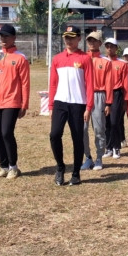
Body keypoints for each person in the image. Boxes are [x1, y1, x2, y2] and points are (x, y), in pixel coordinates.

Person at [49, 25, 94, 186]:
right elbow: (53, 83)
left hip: (78, 103)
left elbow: (90, 84)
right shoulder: (57, 59)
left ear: (79, 39)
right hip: (60, 102)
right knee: (54, 135)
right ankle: (60, 167)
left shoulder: (85, 58)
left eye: (72, 37)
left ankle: (76, 172)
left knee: (77, 139)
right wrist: (51, 105)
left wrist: (89, 107)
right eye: (66, 37)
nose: (69, 40)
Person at [0, 24, 30, 179]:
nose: (3, 39)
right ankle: (3, 166)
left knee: (6, 133)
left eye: (7, 36)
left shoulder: (20, 58)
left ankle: (13, 167)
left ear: (14, 38)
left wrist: (24, 104)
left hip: (11, 101)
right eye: (1, 36)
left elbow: (25, 82)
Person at [81, 31, 111, 171]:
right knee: (82, 129)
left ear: (100, 43)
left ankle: (99, 157)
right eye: (89, 41)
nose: (92, 43)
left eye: (95, 41)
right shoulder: (81, 59)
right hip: (82, 96)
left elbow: (109, 83)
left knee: (99, 129)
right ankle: (87, 157)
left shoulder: (105, 61)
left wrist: (108, 103)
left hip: (99, 95)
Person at [104, 37, 128, 159]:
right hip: (103, 93)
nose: (109, 48)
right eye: (107, 46)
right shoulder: (101, 61)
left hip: (116, 93)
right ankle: (108, 147)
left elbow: (125, 83)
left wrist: (126, 100)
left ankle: (116, 147)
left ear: (116, 48)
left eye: (112, 46)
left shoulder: (121, 64)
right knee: (106, 122)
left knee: (115, 122)